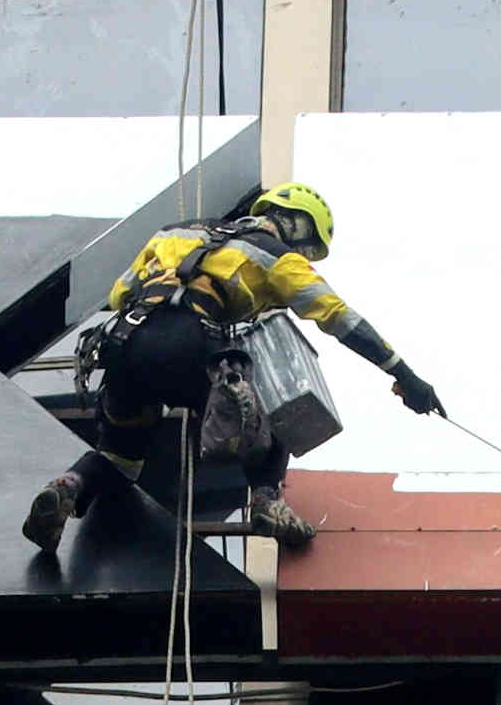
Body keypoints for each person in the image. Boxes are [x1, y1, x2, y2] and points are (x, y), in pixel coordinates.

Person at [22, 183, 443, 556]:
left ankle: (68, 487)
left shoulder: (174, 232)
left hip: (124, 347)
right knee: (281, 407)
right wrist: (402, 374)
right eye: (306, 244)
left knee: (119, 458)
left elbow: (120, 294)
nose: (302, 254)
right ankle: (266, 502)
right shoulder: (275, 255)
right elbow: (337, 317)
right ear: (296, 226)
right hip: (191, 348)